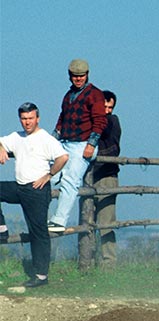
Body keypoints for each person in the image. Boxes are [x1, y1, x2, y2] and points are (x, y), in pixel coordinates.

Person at [0, 103, 69, 287]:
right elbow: (2, 141)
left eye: (30, 118)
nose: (27, 122)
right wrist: (1, 147)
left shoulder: (46, 139)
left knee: (38, 232)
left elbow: (63, 157)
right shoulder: (17, 136)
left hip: (37, 190)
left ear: (37, 118)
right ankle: (1, 229)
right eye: (24, 118)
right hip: (20, 187)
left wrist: (49, 175)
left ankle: (41, 276)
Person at [49, 58, 107, 233]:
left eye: (81, 76)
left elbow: (100, 121)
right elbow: (62, 118)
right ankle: (41, 217)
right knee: (48, 177)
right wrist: (52, 140)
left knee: (70, 181)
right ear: (70, 76)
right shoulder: (68, 96)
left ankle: (59, 221)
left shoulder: (95, 95)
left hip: (82, 144)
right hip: (64, 142)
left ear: (87, 75)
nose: (78, 79)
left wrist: (91, 144)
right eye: (75, 76)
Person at [93, 90, 122, 266]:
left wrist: (91, 163)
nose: (107, 110)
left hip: (106, 176)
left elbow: (113, 149)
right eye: (104, 106)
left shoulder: (112, 121)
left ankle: (109, 264)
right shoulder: (91, 122)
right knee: (88, 221)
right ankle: (88, 260)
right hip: (89, 178)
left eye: (110, 107)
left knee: (106, 222)